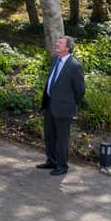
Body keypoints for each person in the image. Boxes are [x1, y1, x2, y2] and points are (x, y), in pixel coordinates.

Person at [37, 35, 85, 176]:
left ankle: (61, 166)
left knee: (62, 139)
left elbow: (80, 90)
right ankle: (51, 161)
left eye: (60, 43)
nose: (57, 44)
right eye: (57, 42)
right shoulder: (55, 60)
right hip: (50, 104)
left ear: (68, 48)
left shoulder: (74, 66)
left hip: (64, 108)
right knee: (49, 136)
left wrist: (70, 103)